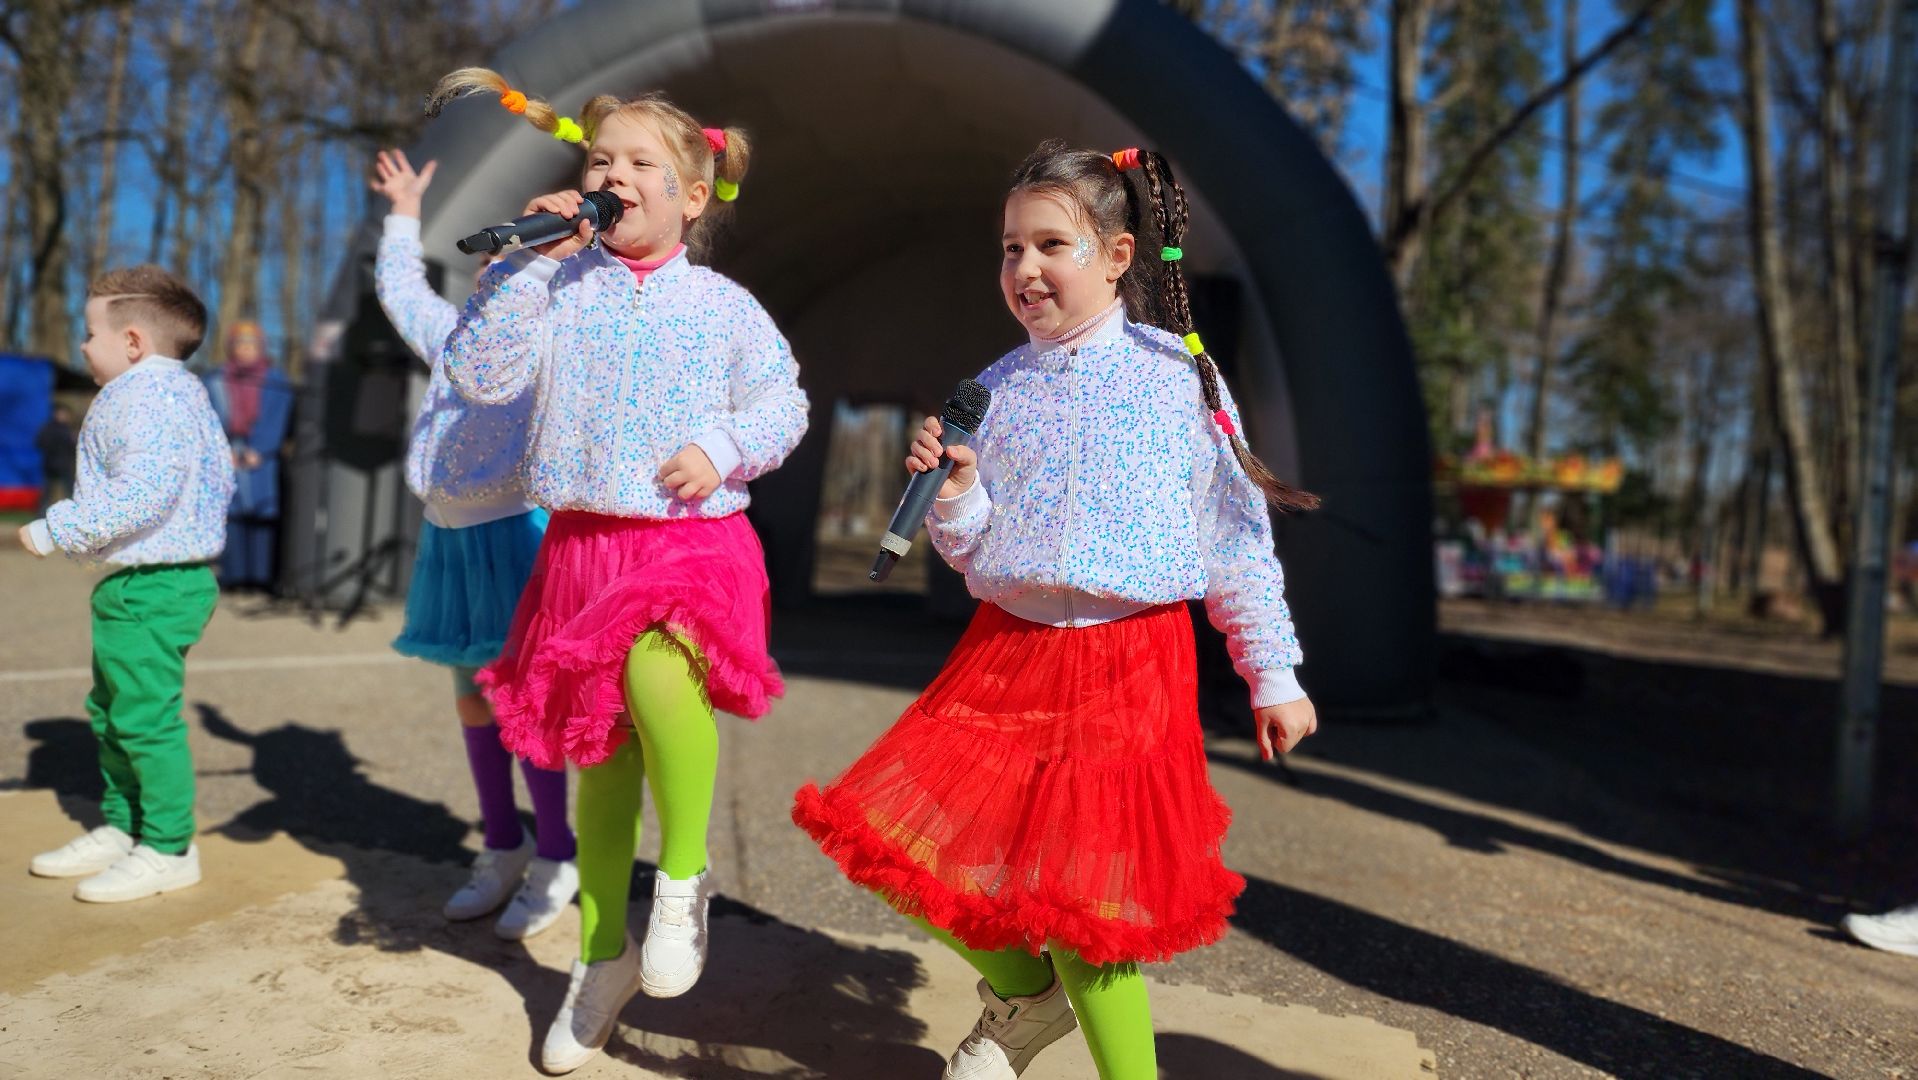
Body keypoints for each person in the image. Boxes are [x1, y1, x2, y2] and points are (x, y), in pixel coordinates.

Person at [793, 141, 1319, 1080]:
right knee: (890, 841)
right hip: (1007, 652)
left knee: (1083, 906)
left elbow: (1236, 537)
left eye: (1049, 245)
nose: (1024, 268)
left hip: (1130, 661)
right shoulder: (994, 389)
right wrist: (957, 492)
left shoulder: (1178, 378)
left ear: (1117, 257)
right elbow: (972, 551)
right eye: (1010, 248)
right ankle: (1027, 999)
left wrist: (1270, 670)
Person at [427, 69, 808, 1075]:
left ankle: (682, 879)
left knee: (655, 676)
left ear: (692, 196)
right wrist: (523, 267)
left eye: (641, 161)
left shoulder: (724, 307)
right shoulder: (552, 288)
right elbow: (478, 377)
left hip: (688, 541)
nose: (612, 175)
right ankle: (602, 957)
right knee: (598, 761)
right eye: (600, 159)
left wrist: (724, 447)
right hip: (580, 548)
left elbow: (783, 404)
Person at [369, 147, 578, 940]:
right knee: (472, 698)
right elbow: (400, 290)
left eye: (528, 244)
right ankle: (502, 843)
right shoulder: (455, 335)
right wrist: (404, 213)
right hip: (451, 543)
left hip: (514, 539)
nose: (504, 254)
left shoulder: (556, 339)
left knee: (525, 705)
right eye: (502, 243)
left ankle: (556, 854)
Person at [20, 265, 236, 903]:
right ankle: (124, 827)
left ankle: (168, 847)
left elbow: (145, 491)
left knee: (144, 718)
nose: (83, 345)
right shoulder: (170, 394)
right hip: (143, 581)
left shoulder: (150, 397)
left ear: (133, 341)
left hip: (157, 584)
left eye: (90, 333)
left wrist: (60, 527)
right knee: (113, 711)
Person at [204, 320, 292, 592]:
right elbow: (208, 418)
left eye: (251, 344)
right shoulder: (216, 380)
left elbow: (278, 417)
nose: (245, 349)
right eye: (239, 344)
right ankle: (234, 576)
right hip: (227, 453)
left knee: (262, 516)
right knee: (232, 516)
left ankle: (261, 577)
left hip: (262, 457)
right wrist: (223, 450)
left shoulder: (275, 380)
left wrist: (262, 449)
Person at [35, 402, 77, 512]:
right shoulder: (49, 428)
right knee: (47, 492)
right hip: (51, 464)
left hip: (65, 465)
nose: (63, 416)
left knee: (70, 491)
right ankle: (41, 514)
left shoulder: (68, 429)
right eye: (61, 413)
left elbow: (73, 448)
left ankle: (74, 512)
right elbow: (40, 443)